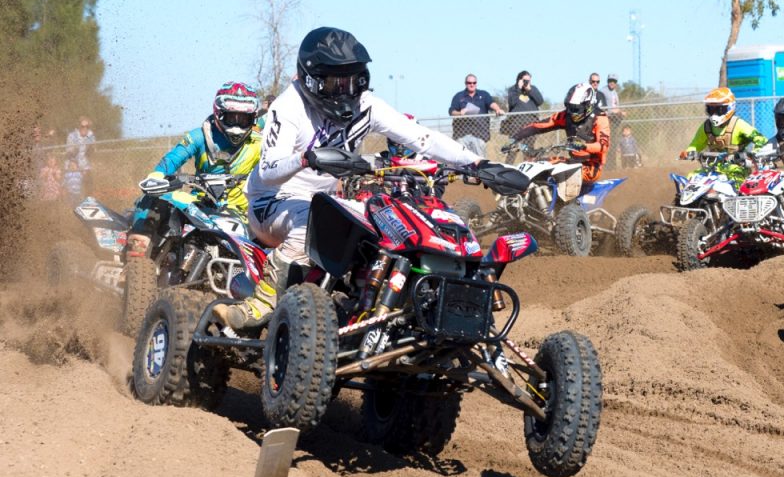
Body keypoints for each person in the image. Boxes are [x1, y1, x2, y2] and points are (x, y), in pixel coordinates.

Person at [216, 26, 486, 331]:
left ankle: (385, 309)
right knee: (311, 220)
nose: (345, 90)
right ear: (311, 79)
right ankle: (262, 301)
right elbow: (269, 171)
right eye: (335, 82)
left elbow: (421, 137)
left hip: (328, 204)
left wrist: (477, 162)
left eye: (352, 79)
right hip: (272, 202)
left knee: (386, 223)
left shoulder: (366, 105)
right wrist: (306, 158)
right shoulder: (288, 106)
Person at [126, 82, 263, 258]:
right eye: (232, 117)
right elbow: (174, 157)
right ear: (219, 113)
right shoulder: (199, 136)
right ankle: (136, 259)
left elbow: (277, 167)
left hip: (243, 215)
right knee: (156, 199)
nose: (237, 124)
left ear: (253, 118)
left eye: (243, 118)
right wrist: (157, 175)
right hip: (198, 204)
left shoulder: (261, 143)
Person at [512, 83, 610, 184]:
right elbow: (540, 125)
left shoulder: (600, 118)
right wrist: (516, 137)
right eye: (570, 107)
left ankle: (565, 199)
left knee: (558, 171)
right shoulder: (566, 115)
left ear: (588, 105)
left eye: (576, 109)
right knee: (536, 166)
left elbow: (603, 146)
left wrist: (583, 146)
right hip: (573, 161)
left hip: (591, 167)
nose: (572, 112)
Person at [680, 87, 767, 184]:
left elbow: (761, 139)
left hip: (736, 169)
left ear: (730, 107)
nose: (714, 114)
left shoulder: (738, 124)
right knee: (690, 179)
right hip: (712, 168)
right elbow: (696, 145)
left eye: (719, 109)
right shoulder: (706, 126)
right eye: (711, 109)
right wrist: (688, 152)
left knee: (734, 185)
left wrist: (754, 154)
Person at [449, 74, 504, 157]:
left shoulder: (484, 94)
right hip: (462, 135)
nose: (472, 84)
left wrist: (497, 109)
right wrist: (460, 113)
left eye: (474, 83)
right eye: (469, 82)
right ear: (465, 83)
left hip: (480, 135)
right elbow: (451, 111)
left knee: (479, 162)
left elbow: (491, 103)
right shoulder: (458, 96)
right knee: (462, 161)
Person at [502, 70, 544, 153]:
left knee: (529, 149)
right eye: (525, 80)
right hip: (516, 122)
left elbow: (540, 101)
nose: (526, 82)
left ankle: (528, 164)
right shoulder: (513, 89)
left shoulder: (533, 88)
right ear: (519, 80)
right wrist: (518, 89)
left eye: (528, 80)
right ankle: (510, 165)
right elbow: (513, 102)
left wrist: (530, 90)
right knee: (512, 148)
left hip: (531, 122)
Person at [601, 73, 626, 168]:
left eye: (614, 81)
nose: (612, 83)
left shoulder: (615, 92)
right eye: (610, 81)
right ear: (607, 81)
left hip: (615, 120)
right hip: (608, 119)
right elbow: (602, 107)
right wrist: (613, 111)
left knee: (614, 143)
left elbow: (616, 106)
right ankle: (607, 165)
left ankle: (613, 165)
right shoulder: (603, 91)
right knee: (607, 143)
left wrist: (620, 112)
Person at [65, 116, 95, 195]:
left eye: (87, 126)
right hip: (74, 166)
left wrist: (91, 149)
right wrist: (75, 150)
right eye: (82, 126)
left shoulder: (90, 135)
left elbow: (91, 153)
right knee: (75, 193)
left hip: (86, 166)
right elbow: (69, 154)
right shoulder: (72, 136)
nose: (85, 128)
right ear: (79, 127)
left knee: (89, 189)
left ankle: (88, 204)